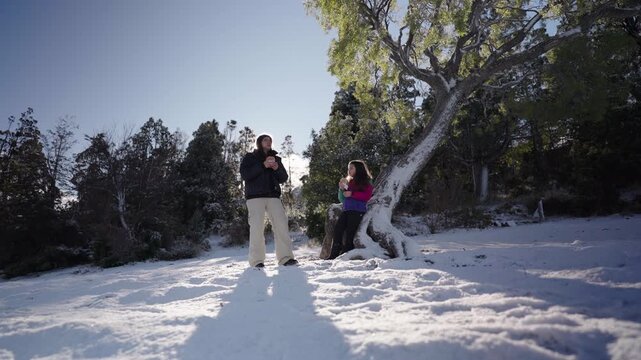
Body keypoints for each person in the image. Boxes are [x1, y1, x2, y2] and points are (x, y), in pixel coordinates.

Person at [240, 134, 298, 268]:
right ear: (259, 142)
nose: (269, 142)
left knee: (282, 226)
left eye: (270, 140)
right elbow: (245, 175)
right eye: (265, 139)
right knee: (256, 228)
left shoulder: (276, 158)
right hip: (255, 197)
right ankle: (257, 261)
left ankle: (286, 258)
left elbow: (283, 178)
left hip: (273, 196)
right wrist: (263, 165)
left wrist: (277, 168)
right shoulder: (250, 157)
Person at [328, 160, 374, 259]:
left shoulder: (366, 181)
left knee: (350, 232)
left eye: (351, 168)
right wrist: (341, 189)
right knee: (338, 230)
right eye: (348, 168)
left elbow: (367, 196)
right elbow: (342, 199)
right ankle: (334, 254)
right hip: (346, 210)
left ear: (359, 169)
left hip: (358, 211)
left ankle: (346, 254)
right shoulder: (349, 182)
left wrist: (352, 194)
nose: (349, 170)